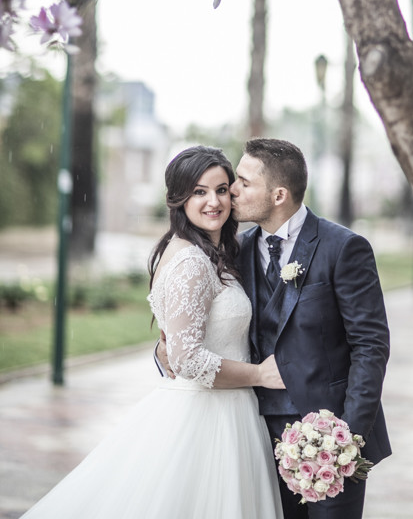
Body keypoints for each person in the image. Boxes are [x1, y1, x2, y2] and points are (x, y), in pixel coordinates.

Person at [20, 146, 284, 519]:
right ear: (178, 199)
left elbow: (176, 345)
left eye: (222, 189)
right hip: (207, 417)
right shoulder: (191, 261)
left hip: (229, 411)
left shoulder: (211, 252)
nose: (214, 202)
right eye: (199, 192)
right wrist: (259, 374)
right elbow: (187, 359)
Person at [160, 138, 391, 519]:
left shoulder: (344, 248)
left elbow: (371, 346)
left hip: (327, 436)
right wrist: (166, 347)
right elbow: (200, 320)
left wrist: (347, 436)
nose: (231, 191)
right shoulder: (237, 248)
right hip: (252, 438)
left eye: (243, 183)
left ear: (278, 194)